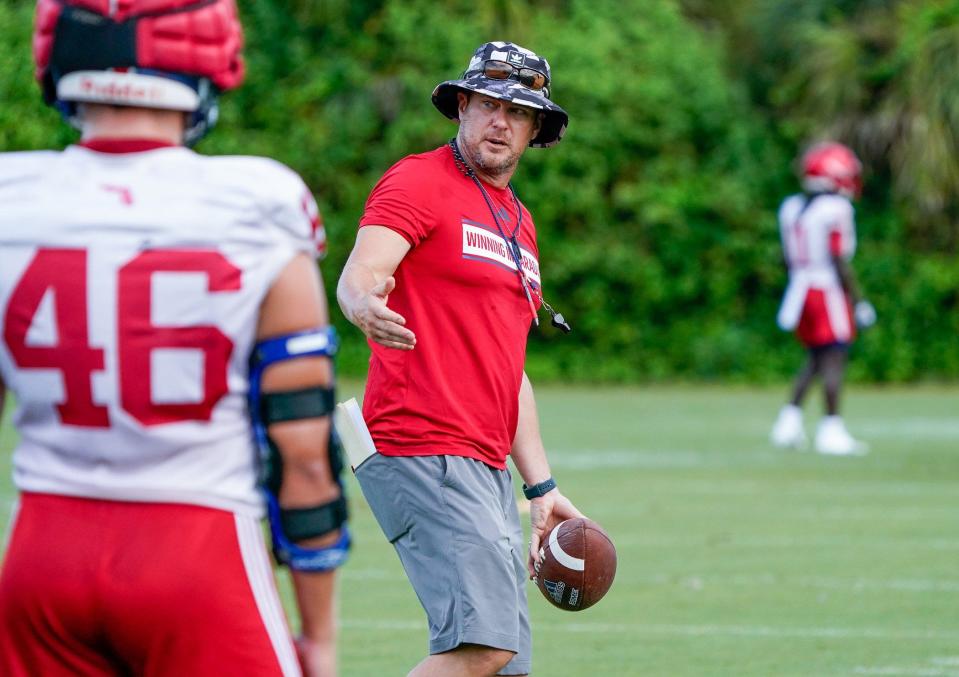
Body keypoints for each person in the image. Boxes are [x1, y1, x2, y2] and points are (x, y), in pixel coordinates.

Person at [0, 1, 348, 675]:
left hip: (42, 558)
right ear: (208, 55)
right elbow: (304, 455)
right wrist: (322, 637)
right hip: (198, 551)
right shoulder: (259, 203)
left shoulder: (12, 197)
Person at [337, 40, 583, 677]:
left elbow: (510, 367)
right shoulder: (418, 180)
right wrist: (363, 302)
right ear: (463, 108)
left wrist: (543, 487)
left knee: (505, 667)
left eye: (519, 111)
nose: (501, 121)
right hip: (420, 442)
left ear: (535, 129)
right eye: (488, 104)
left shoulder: (517, 223)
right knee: (484, 649)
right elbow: (361, 271)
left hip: (484, 463)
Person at [770, 141, 876, 456]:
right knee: (834, 357)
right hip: (825, 289)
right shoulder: (836, 209)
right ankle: (831, 429)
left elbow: (787, 258)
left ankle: (788, 422)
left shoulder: (791, 207)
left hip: (800, 289)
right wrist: (857, 301)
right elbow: (838, 259)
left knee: (816, 358)